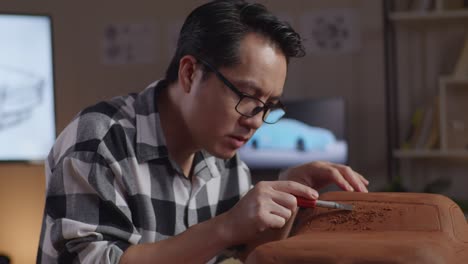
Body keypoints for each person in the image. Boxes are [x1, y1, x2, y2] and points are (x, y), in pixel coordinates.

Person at [37, 0, 369, 263]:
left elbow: (241, 254)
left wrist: (288, 202)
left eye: (268, 105)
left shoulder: (225, 159)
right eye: (246, 97)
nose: (254, 120)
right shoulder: (99, 141)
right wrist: (224, 227)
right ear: (190, 73)